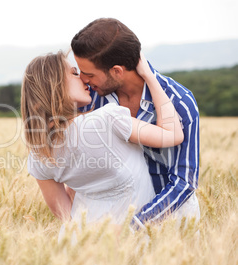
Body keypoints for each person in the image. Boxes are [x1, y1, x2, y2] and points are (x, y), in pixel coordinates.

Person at [22, 51, 184, 229]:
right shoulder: (107, 118)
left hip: (87, 245)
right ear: (55, 86)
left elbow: (67, 215)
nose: (84, 79)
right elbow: (173, 134)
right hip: (135, 240)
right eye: (74, 73)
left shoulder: (38, 155)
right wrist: (150, 76)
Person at [71, 18, 200, 229]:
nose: (84, 79)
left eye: (89, 73)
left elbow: (184, 182)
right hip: (109, 222)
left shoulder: (180, 102)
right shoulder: (92, 99)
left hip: (171, 223)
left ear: (117, 71)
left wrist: (135, 225)